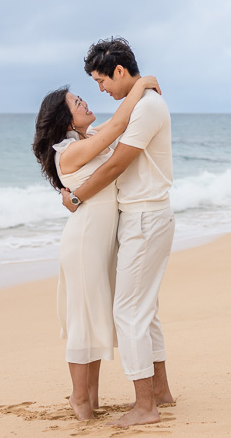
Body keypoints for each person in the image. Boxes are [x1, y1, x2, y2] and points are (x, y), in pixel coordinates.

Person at [60, 37, 175, 428]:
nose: (100, 90)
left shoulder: (147, 108)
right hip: (144, 216)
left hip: (144, 217)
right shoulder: (143, 103)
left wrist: (76, 198)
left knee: (128, 312)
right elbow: (110, 132)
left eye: (101, 81)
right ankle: (160, 391)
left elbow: (115, 166)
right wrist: (143, 84)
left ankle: (145, 406)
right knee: (146, 310)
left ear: (119, 72)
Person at [31, 75, 160, 421]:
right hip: (85, 240)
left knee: (93, 316)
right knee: (82, 319)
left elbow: (117, 122)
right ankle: (79, 398)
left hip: (99, 240)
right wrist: (143, 83)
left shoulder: (87, 138)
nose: (85, 103)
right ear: (65, 119)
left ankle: (92, 395)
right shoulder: (69, 150)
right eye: (77, 103)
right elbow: (120, 123)